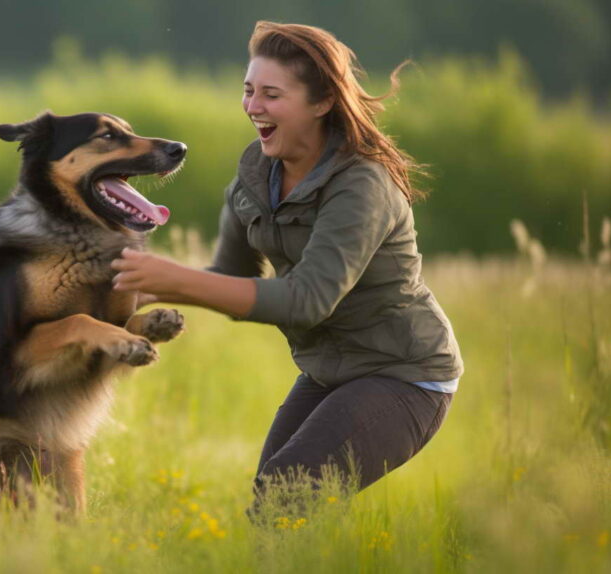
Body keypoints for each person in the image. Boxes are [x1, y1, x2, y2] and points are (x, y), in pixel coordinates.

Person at [110, 21, 464, 515]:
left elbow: (306, 301)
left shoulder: (362, 184)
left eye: (271, 94)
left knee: (281, 497)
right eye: (248, 91)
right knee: (274, 505)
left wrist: (173, 278)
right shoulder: (256, 171)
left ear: (320, 103)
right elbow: (230, 277)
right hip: (328, 370)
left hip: (405, 373)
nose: (253, 106)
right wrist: (136, 290)